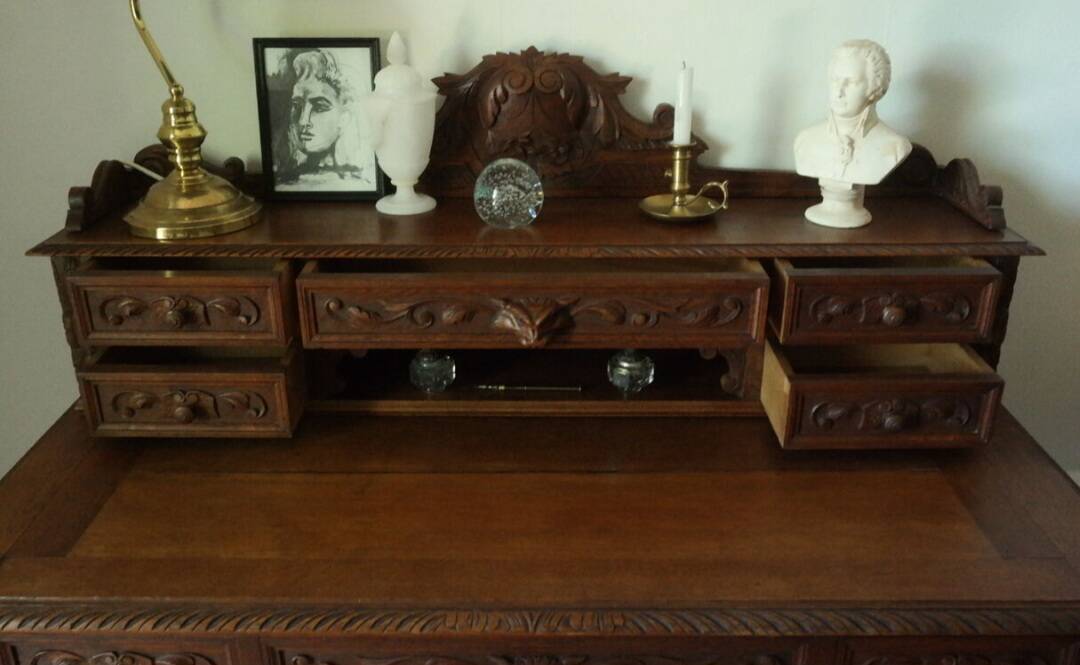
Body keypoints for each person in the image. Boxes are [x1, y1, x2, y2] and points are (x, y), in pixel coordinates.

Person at [271, 48, 372, 190]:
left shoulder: (358, 185)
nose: (303, 121)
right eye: (296, 106)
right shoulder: (281, 186)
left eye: (319, 108)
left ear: (344, 117)